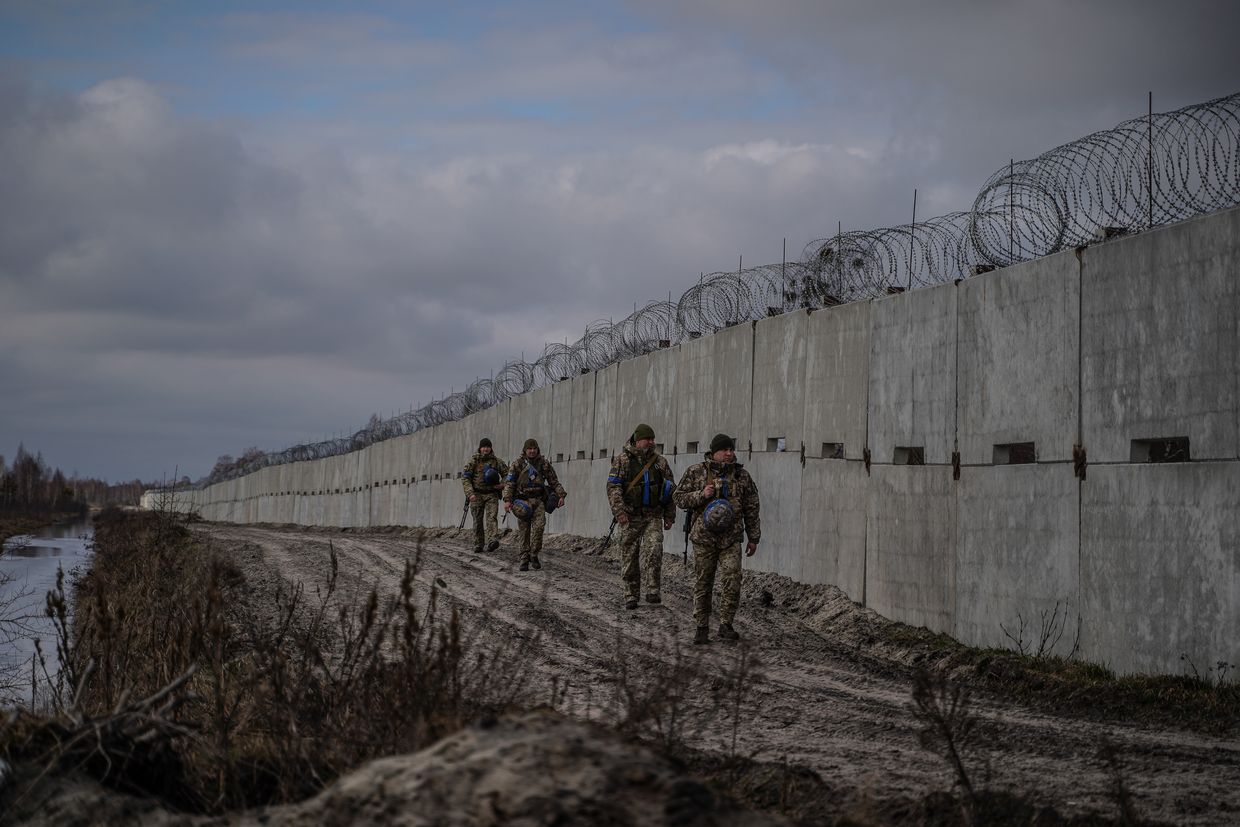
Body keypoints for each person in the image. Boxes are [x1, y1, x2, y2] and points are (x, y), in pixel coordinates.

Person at [673, 433, 761, 644]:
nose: (729, 454)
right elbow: (678, 497)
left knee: (732, 579)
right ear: (714, 452)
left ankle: (726, 624)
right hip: (704, 539)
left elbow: (752, 507)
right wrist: (701, 495)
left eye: (731, 450)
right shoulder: (696, 472)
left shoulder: (742, 476)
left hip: (731, 538)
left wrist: (754, 537)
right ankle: (701, 626)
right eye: (725, 450)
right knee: (704, 582)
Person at [607, 423, 676, 610]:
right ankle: (631, 593)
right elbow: (613, 488)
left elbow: (669, 489)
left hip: (653, 515)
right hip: (630, 516)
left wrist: (670, 515)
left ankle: (653, 590)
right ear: (638, 440)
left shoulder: (660, 462)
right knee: (629, 555)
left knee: (654, 549)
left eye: (653, 439)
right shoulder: (622, 460)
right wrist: (619, 512)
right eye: (648, 439)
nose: (652, 442)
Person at [502, 438, 567, 571]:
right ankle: (524, 558)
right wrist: (507, 500)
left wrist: (561, 495)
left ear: (537, 449)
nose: (532, 451)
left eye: (534, 448)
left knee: (539, 527)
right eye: (529, 449)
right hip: (522, 502)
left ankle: (534, 553)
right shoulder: (517, 464)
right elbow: (510, 483)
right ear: (525, 450)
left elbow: (554, 481)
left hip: (538, 501)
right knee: (524, 530)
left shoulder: (544, 464)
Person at [462, 437, 507, 553]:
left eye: (488, 447)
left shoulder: (497, 462)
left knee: (491, 517)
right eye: (484, 447)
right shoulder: (474, 461)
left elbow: (508, 475)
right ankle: (479, 543)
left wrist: (502, 484)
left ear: (491, 448)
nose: (486, 449)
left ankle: (492, 540)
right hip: (476, 494)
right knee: (477, 520)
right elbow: (466, 478)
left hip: (491, 494)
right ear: (480, 448)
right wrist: (470, 493)